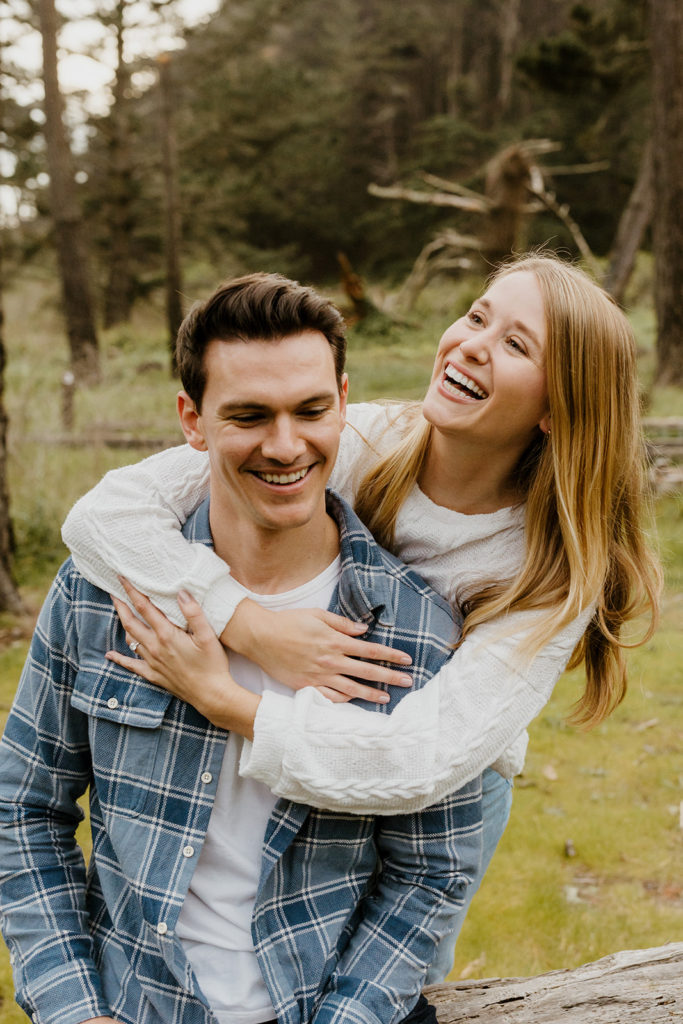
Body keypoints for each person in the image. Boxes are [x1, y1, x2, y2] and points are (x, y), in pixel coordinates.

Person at [62, 253, 661, 955]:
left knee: (386, 970)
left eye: (515, 344)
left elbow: (419, 759)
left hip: (437, 790)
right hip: (304, 713)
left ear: (557, 410)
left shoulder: (546, 576)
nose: (472, 343)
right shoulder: (362, 440)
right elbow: (105, 514)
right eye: (477, 315)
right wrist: (250, 626)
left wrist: (225, 700)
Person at [0, 274, 484, 1024]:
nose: (285, 446)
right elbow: (24, 809)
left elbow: (429, 876)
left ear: (344, 401)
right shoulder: (100, 594)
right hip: (133, 1006)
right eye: (250, 416)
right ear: (191, 420)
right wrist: (72, 1008)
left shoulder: (415, 630)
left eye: (311, 410)